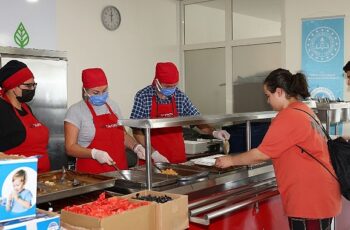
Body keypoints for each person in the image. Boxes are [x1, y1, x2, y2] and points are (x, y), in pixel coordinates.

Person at [215, 68, 341, 230]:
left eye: (268, 96)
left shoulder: (288, 116)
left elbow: (261, 154)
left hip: (309, 198)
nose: (268, 101)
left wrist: (230, 160)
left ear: (280, 92)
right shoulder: (304, 110)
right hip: (320, 193)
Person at [130, 62, 230, 163]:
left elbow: (197, 119)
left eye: (174, 86)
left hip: (177, 156)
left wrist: (214, 132)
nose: (171, 89)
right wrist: (154, 153)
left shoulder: (179, 96)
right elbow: (137, 131)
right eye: (167, 86)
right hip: (152, 158)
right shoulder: (143, 96)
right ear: (157, 81)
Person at [64, 68, 145, 173]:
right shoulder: (75, 111)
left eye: (104, 90)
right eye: (96, 92)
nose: (101, 95)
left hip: (120, 172)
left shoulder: (113, 106)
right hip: (92, 177)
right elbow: (70, 148)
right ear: (85, 90)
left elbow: (122, 135)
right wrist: (94, 153)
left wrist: (136, 146)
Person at [0, 60, 50, 173]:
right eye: (28, 85)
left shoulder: (26, 107)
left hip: (42, 177)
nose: (32, 89)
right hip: (16, 179)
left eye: (33, 85)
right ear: (12, 86)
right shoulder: (2, 110)